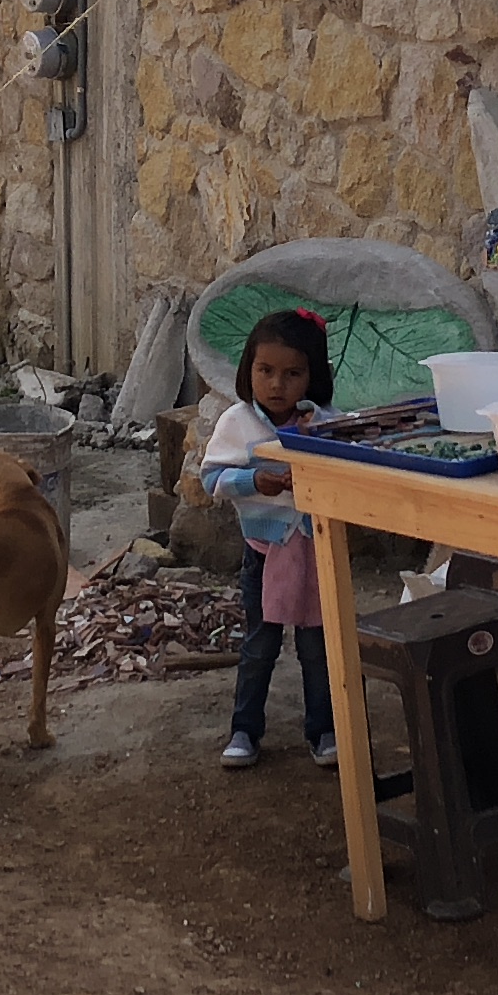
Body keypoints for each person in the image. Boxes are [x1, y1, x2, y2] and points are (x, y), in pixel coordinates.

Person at [199, 310, 337, 771]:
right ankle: (244, 729)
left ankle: (324, 730)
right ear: (248, 371)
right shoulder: (237, 423)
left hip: (317, 549)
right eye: (266, 371)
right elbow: (211, 478)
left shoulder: (325, 423)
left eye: (293, 374)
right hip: (264, 552)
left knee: (318, 647)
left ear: (312, 377)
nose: (277, 384)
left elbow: (345, 473)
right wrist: (256, 481)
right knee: (260, 644)